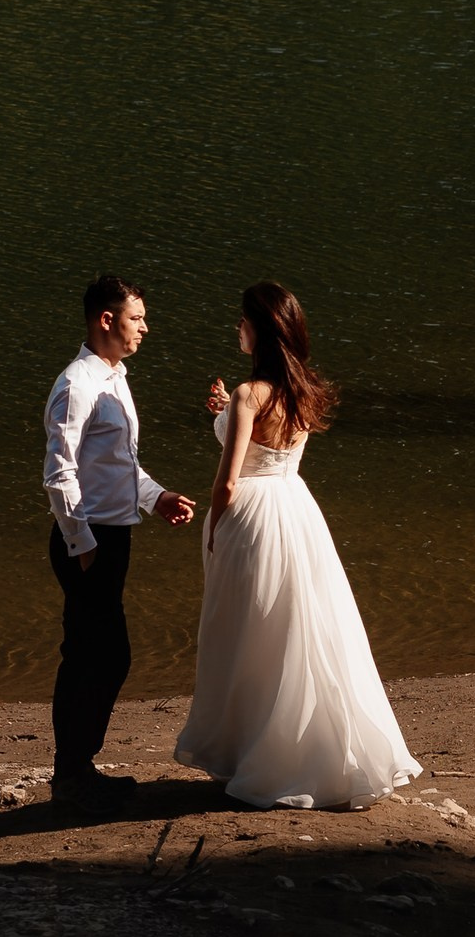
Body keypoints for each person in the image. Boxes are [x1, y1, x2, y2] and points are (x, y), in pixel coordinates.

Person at [173, 282, 421, 809]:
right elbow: (270, 438)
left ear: (258, 329)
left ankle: (254, 753)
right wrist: (224, 411)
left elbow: (228, 482)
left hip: (253, 517)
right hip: (297, 508)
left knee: (249, 633)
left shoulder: (249, 394)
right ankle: (319, 751)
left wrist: (215, 528)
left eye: (241, 321)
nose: (237, 329)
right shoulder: (303, 390)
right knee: (306, 626)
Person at [43, 276, 196, 815]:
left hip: (111, 537)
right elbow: (59, 474)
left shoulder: (114, 378)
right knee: (97, 655)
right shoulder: (77, 384)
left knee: (95, 655)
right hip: (87, 542)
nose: (144, 328)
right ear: (105, 320)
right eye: (136, 318)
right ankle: (73, 776)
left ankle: (75, 772)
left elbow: (118, 466)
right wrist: (82, 545)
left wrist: (155, 497)